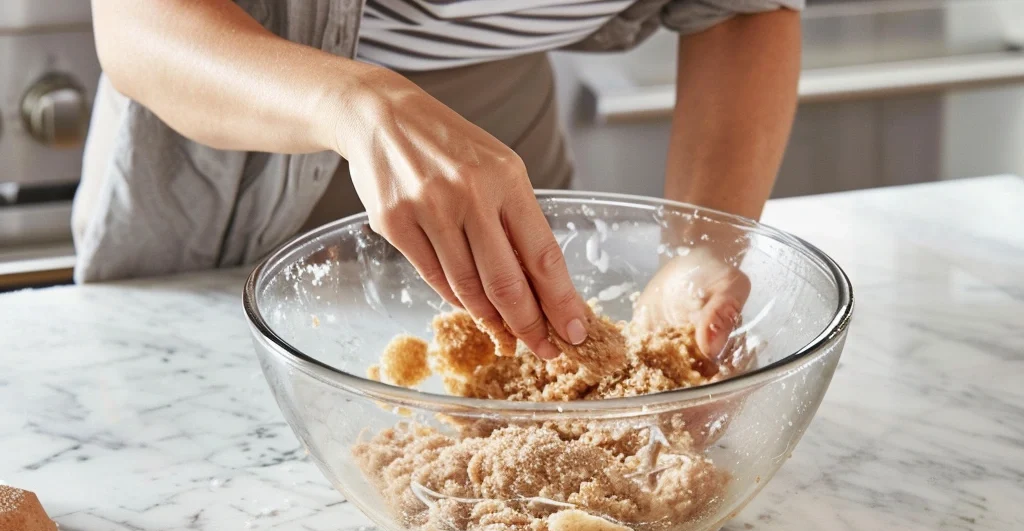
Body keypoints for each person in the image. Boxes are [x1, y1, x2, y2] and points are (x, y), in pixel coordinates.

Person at [77, 0, 801, 361]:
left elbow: (741, 11)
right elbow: (139, 23)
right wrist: (359, 105)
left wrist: (702, 242)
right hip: (239, 136)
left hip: (504, 137)